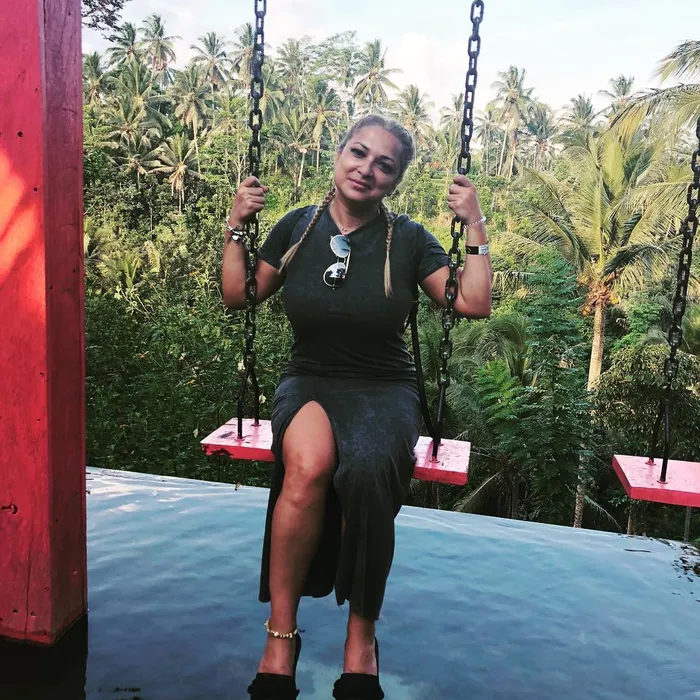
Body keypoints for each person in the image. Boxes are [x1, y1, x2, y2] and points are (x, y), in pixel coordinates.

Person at [222, 114, 492, 700]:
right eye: (359, 153)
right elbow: (240, 294)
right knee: (307, 467)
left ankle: (361, 634)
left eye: (384, 165)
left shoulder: (410, 240)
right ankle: (281, 633)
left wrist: (474, 224)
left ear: (395, 180)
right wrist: (236, 227)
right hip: (310, 377)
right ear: (339, 153)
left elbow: (472, 303)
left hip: (384, 384)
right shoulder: (298, 227)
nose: (367, 169)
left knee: (368, 471)